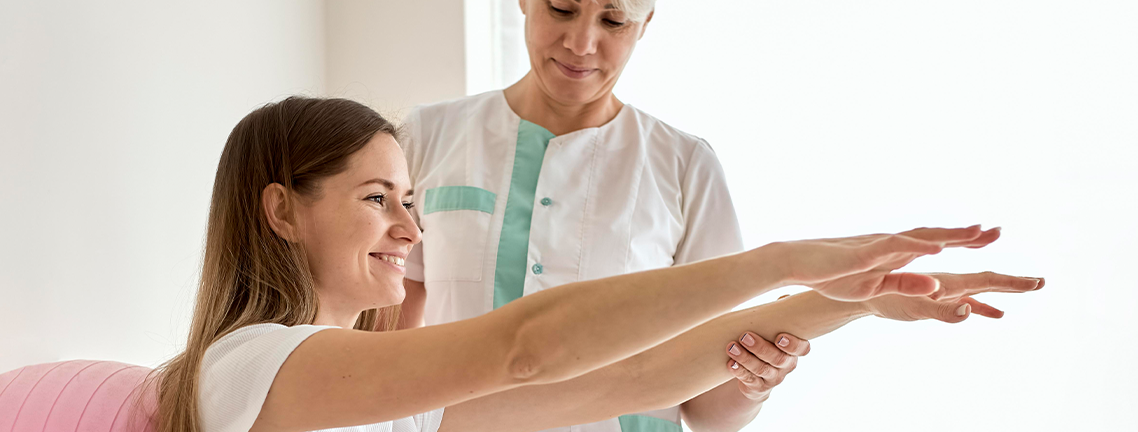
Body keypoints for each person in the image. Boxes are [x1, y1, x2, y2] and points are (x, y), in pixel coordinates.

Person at [152, 96, 1043, 432]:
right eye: (377, 199)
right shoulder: (251, 366)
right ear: (280, 211)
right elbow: (527, 346)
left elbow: (634, 379)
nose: (410, 232)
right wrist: (781, 261)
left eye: (413, 201)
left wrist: (846, 302)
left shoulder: (392, 415)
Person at [393, 1, 1033, 430]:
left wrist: (758, 377)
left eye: (614, 19)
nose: (581, 41)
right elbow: (389, 334)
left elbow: (709, 409)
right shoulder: (427, 136)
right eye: (562, 6)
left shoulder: (683, 164)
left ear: (647, 23)